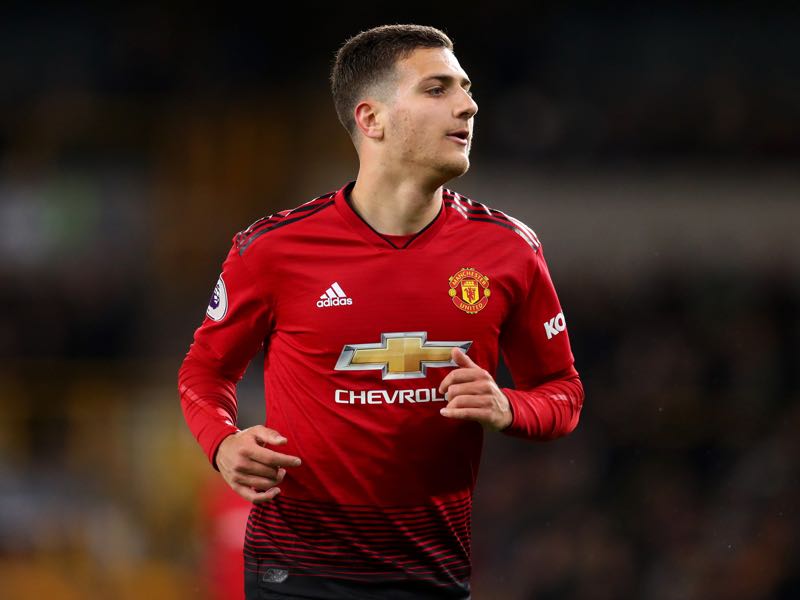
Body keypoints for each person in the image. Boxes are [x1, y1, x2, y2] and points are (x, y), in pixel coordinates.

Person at [178, 23, 584, 600]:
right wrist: (222, 443)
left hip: (431, 574)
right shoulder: (271, 250)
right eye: (438, 89)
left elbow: (562, 391)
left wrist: (508, 406)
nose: (469, 105)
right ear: (372, 119)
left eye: (466, 88)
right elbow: (205, 371)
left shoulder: (510, 251)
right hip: (295, 572)